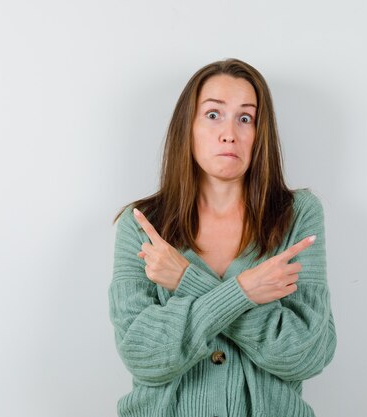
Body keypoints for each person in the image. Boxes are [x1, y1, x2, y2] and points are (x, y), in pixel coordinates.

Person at [108, 58, 337, 417]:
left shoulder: (298, 214)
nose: (229, 132)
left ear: (260, 134)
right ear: (189, 126)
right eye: (213, 114)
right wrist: (245, 291)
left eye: (245, 118)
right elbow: (143, 356)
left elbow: (305, 354)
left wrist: (187, 280)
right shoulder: (141, 224)